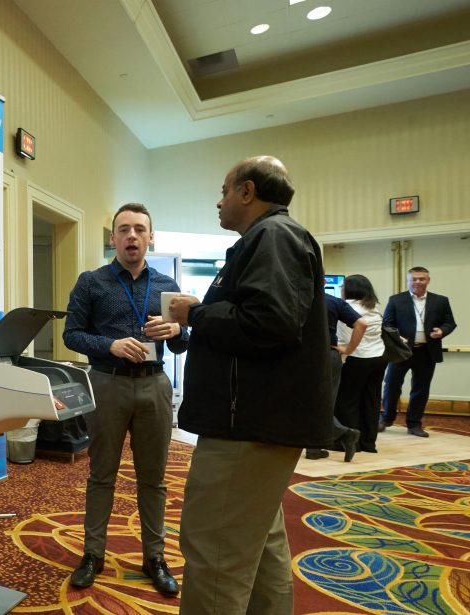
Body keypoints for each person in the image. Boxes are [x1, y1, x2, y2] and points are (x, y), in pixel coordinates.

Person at [167, 156, 332, 614]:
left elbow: (269, 323)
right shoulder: (268, 238)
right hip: (258, 422)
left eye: (224, 191)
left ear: (247, 191)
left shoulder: (273, 235)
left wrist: (196, 314)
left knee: (215, 549)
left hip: (248, 427)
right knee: (258, 545)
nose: (218, 202)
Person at [63, 203, 188, 596]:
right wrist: (110, 345)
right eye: (124, 229)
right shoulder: (91, 282)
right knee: (102, 474)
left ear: (151, 237)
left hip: (154, 385)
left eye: (139, 229)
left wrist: (176, 331)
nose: (132, 236)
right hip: (107, 383)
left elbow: (183, 343)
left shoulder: (167, 285)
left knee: (154, 479)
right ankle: (92, 554)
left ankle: (155, 557)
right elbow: (71, 334)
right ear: (113, 237)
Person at [379, 266, 457, 437]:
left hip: (427, 351)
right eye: (414, 279)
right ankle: (386, 418)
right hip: (401, 350)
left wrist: (442, 331)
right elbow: (387, 324)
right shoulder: (396, 300)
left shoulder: (441, 301)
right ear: (408, 281)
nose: (418, 282)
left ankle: (414, 423)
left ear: (428, 280)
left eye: (421, 278)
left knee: (420, 388)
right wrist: (398, 337)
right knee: (391, 384)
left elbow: (450, 322)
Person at [305, 292, 365, 462]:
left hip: (304, 356)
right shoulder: (333, 301)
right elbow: (361, 324)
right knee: (325, 403)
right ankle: (314, 448)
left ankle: (343, 435)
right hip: (330, 355)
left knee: (305, 402)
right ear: (323, 281)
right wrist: (349, 350)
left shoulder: (295, 298)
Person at [333, 275, 388, 453]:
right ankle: (368, 443)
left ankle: (351, 443)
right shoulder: (373, 306)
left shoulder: (346, 308)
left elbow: (348, 334)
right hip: (379, 357)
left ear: (349, 289)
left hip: (356, 358)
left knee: (348, 401)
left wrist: (347, 349)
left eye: (343, 286)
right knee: (371, 400)